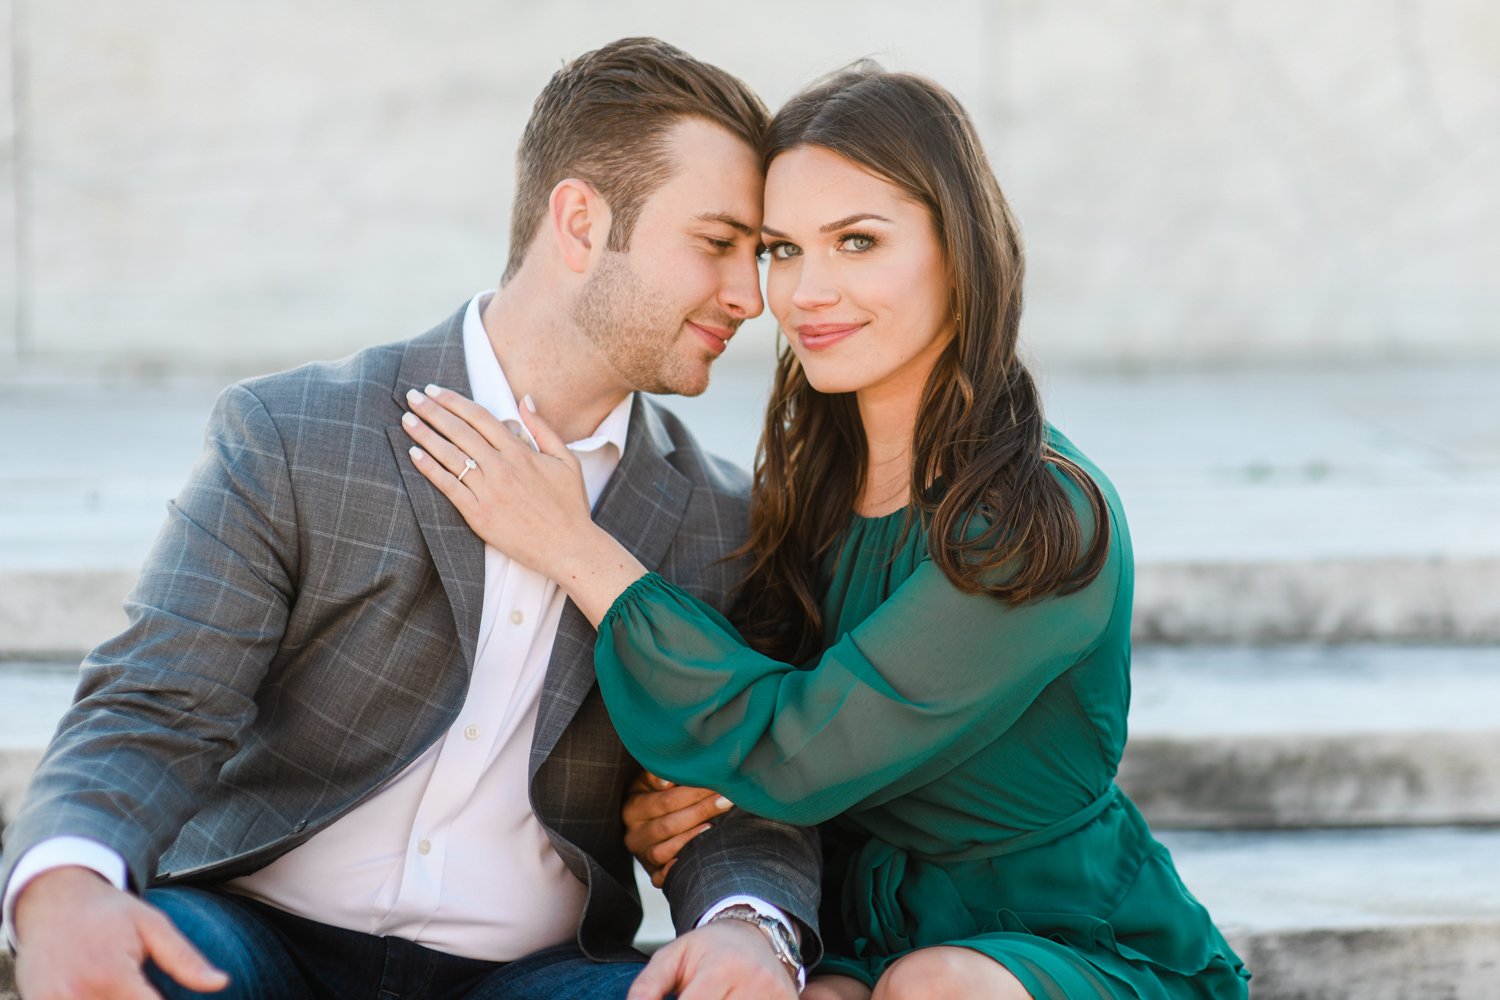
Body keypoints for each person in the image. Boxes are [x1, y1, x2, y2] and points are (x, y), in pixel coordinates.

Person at [401, 64, 1253, 999]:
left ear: (958, 250)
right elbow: (765, 734)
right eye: (781, 250)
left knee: (934, 988)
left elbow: (794, 750)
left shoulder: (1036, 518)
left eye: (857, 241)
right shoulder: (810, 485)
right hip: (860, 922)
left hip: (1062, 931)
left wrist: (574, 547)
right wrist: (684, 807)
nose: (805, 292)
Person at [0, 37, 823, 1000]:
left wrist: (748, 928)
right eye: (718, 244)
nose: (749, 297)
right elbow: (155, 706)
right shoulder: (299, 435)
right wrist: (62, 884)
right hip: (255, 936)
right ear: (581, 221)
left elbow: (740, 799)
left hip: (528, 978)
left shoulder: (723, 519)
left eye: (756, 255)